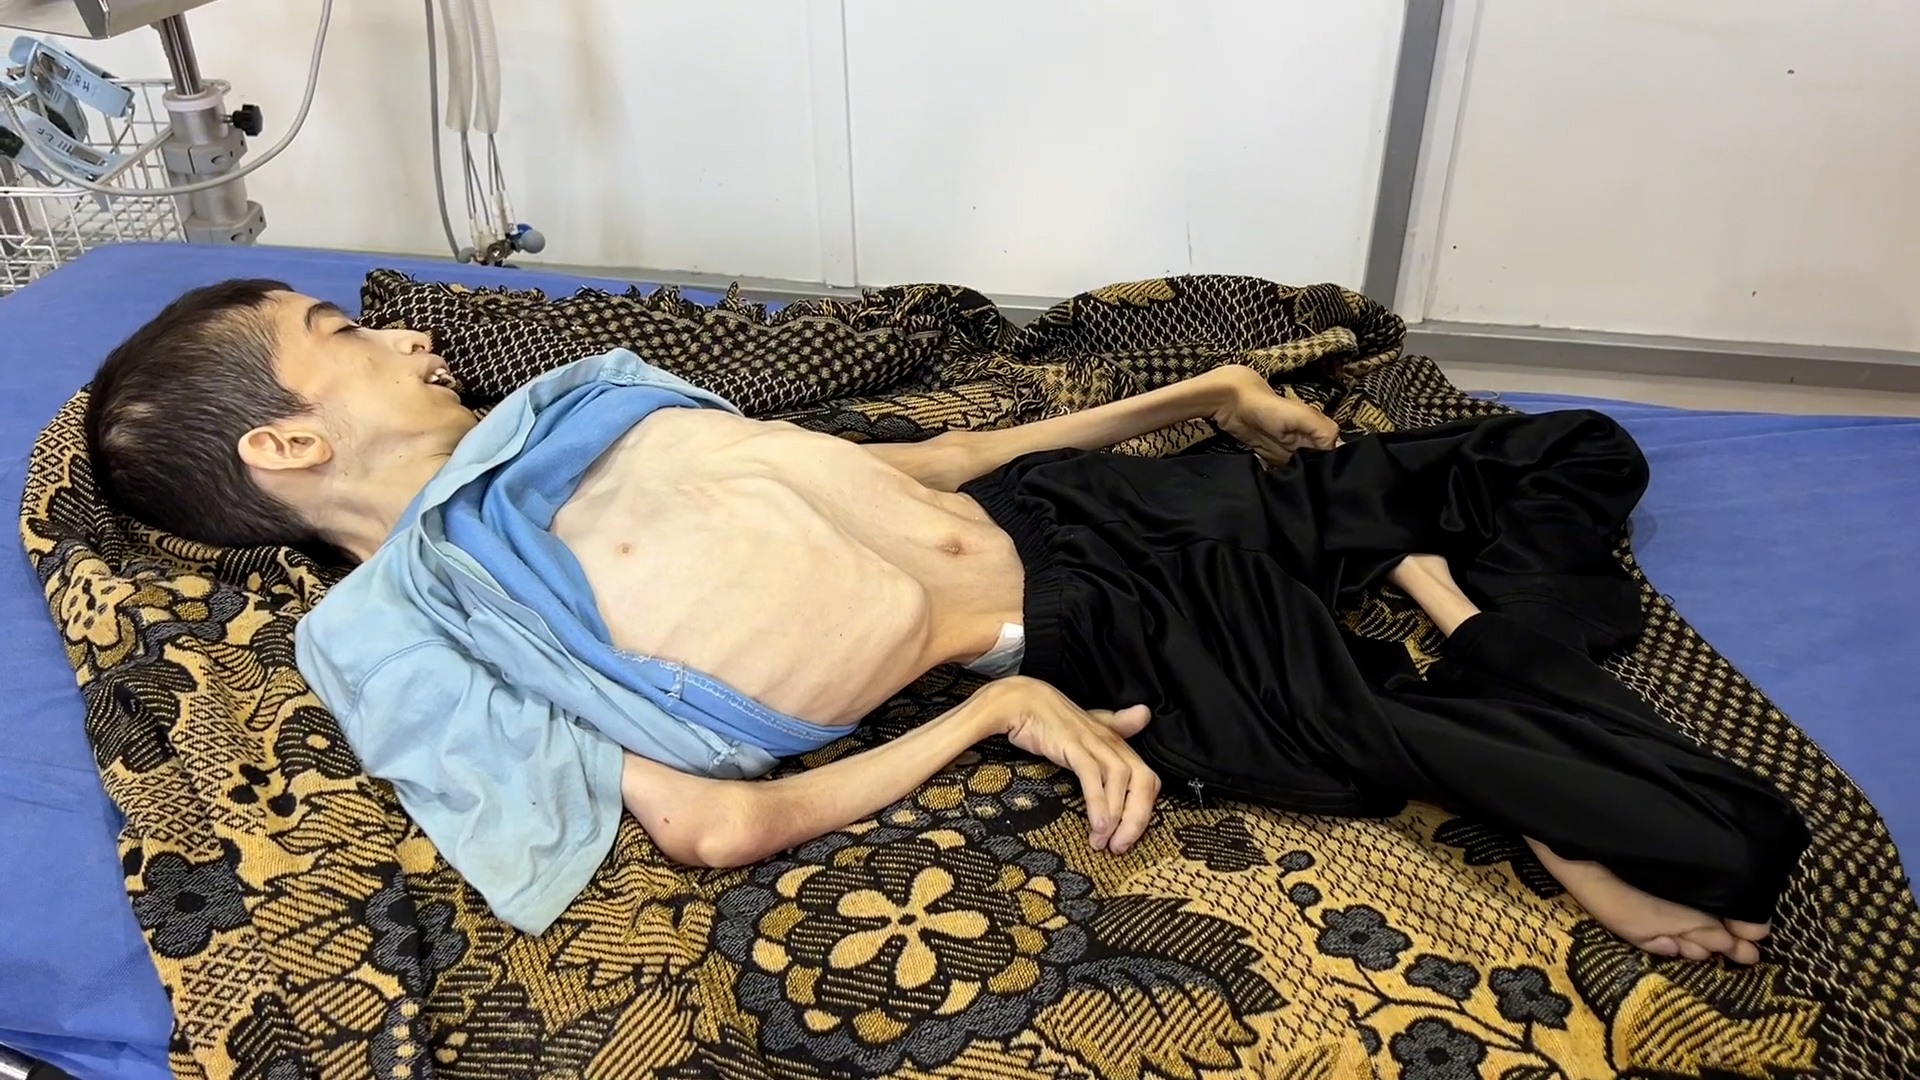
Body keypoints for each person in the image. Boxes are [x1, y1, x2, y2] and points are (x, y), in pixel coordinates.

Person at [85, 279, 1808, 966]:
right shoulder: (405, 625)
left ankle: (1436, 601)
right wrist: (991, 714)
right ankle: (1478, 673)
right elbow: (710, 827)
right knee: (1722, 842)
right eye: (339, 334)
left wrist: (1193, 398)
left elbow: (919, 462)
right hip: (1106, 644)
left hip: (1093, 510)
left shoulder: (581, 402)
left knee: (1574, 452)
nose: (404, 333)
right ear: (285, 444)